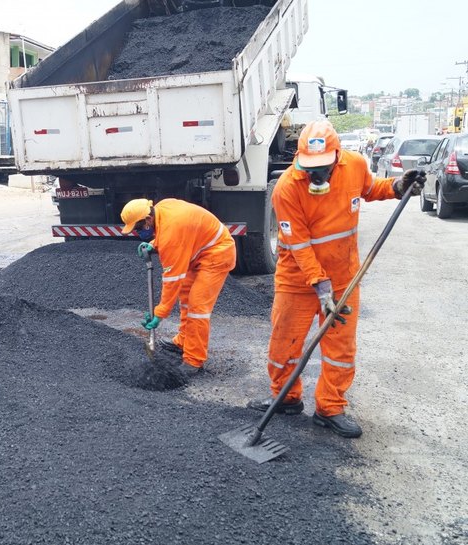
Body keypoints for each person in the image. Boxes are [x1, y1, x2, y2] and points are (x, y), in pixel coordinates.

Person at [247, 119, 425, 438]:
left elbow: (371, 189)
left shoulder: (354, 165)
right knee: (284, 344)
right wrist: (320, 286)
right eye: (310, 168)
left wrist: (398, 187)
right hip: (297, 281)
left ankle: (330, 407)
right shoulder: (287, 188)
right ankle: (286, 398)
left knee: (340, 349)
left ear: (337, 157)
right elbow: (300, 246)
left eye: (323, 168)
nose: (316, 175)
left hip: (344, 278)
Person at [120, 198, 236, 378]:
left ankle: (194, 360)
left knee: (197, 307)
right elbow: (175, 233)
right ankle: (183, 341)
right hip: (197, 251)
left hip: (217, 254)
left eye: (138, 227)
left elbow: (172, 280)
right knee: (186, 298)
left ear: (148, 219)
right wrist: (153, 244)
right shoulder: (161, 210)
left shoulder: (171, 233)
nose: (138, 232)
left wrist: (159, 314)